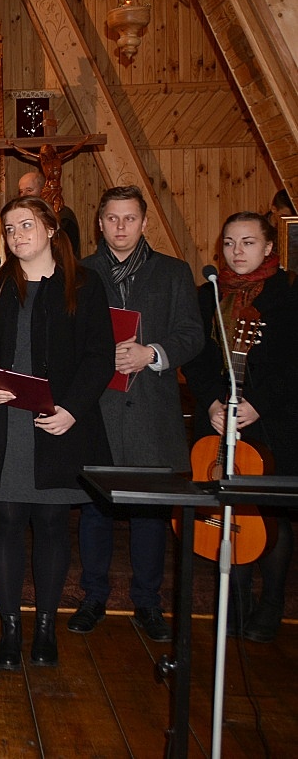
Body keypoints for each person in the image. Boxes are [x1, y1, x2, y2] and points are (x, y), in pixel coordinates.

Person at [0, 196, 114, 670]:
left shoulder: (83, 284)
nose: (17, 236)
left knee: (51, 524)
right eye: (9, 229)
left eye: (26, 225)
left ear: (50, 228)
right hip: (6, 426)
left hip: (59, 424)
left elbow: (100, 356)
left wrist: (73, 410)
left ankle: (45, 627)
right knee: (5, 523)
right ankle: (10, 629)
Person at [70, 186, 204, 642]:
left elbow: (193, 334)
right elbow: (64, 336)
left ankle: (148, 602)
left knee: (150, 514)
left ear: (144, 223)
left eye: (129, 218)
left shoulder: (173, 272)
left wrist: (153, 352)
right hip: (99, 408)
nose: (121, 227)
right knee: (95, 511)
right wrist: (95, 356)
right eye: (112, 218)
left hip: (151, 408)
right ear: (99, 224)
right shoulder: (80, 272)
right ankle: (93, 596)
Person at [183, 212, 298, 643]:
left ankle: (272, 603)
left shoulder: (290, 292)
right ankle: (236, 598)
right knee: (227, 510)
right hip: (218, 416)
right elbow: (195, 355)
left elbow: (292, 363)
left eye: (248, 243)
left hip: (273, 421)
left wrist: (257, 406)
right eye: (229, 243)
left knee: (268, 515)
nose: (237, 252)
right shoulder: (208, 293)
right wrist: (213, 402)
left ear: (269, 247)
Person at [18, 170, 82, 257]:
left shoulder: (62, 215)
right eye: (21, 191)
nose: (24, 195)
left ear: (43, 190)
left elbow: (62, 252)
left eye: (29, 190)